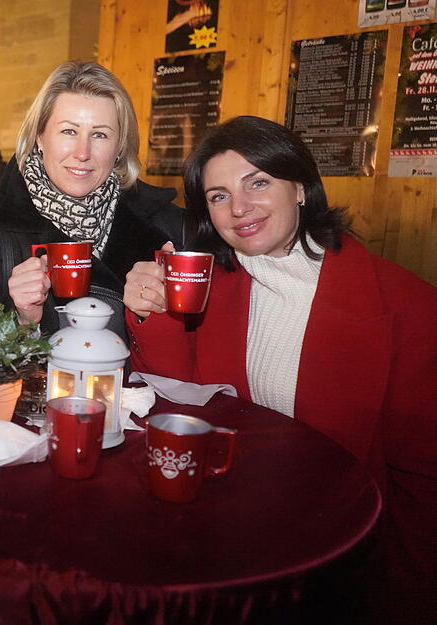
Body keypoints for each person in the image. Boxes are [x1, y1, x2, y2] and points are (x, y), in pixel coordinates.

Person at [123, 115, 437, 622]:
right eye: (218, 195)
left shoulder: (409, 308)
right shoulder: (214, 288)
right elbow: (175, 398)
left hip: (339, 573)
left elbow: (426, 489)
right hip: (228, 552)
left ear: (301, 188)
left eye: (259, 183)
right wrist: (151, 311)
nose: (239, 208)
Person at [0, 60, 184, 339]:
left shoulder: (170, 228)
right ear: (39, 137)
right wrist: (23, 322)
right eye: (68, 131)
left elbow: (205, 355)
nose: (82, 152)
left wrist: (158, 315)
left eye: (99, 134)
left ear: (120, 147)